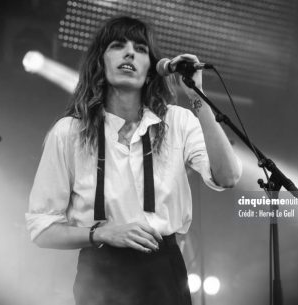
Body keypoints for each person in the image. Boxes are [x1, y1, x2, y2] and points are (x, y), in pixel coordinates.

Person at [26, 15, 241, 305]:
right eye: (118, 45)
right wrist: (101, 232)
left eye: (140, 49)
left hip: (164, 269)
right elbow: (42, 229)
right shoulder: (69, 132)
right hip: (100, 272)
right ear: (100, 61)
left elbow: (227, 176)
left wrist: (197, 97)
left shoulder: (178, 120)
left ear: (151, 69)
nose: (129, 52)